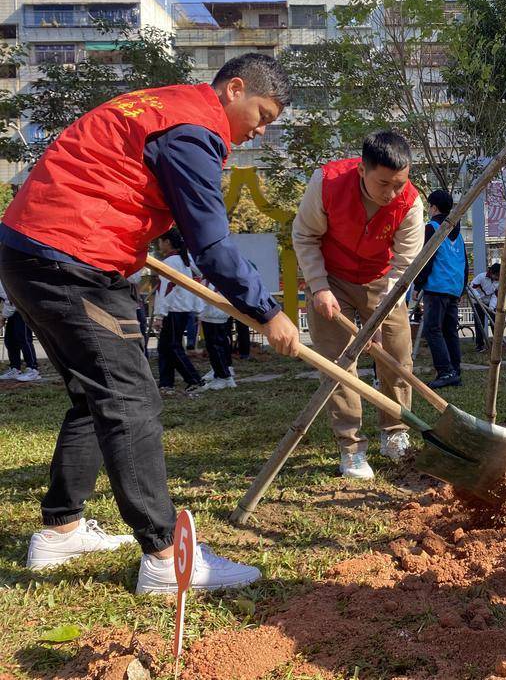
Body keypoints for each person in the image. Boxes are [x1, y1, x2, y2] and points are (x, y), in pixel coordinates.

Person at [0, 53, 299, 592]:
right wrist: (268, 312)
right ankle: (165, 560)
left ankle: (60, 530)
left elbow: (181, 220)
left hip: (34, 250)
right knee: (131, 399)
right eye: (263, 115)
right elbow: (210, 240)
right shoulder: (194, 129)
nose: (259, 131)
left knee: (94, 398)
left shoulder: (166, 107)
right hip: (74, 258)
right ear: (235, 88)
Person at [293, 129, 423, 480]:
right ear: (362, 170)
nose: (392, 193)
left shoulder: (410, 202)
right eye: (384, 184)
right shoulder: (327, 183)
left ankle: (395, 433)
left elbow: (405, 265)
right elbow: (304, 235)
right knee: (339, 366)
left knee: (396, 359)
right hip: (331, 279)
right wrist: (318, 287)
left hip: (383, 284)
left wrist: (382, 312)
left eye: (399, 184)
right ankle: (351, 448)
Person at [413, 188, 467, 389]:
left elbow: (426, 258)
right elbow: (464, 262)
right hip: (454, 286)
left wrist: (418, 284)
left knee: (432, 329)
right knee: (449, 330)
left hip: (437, 286)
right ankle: (456, 371)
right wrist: (462, 288)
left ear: (433, 207)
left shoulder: (432, 227)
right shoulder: (457, 233)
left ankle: (445, 371)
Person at [153, 230, 204, 395]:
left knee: (173, 347)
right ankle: (166, 383)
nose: (159, 245)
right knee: (164, 348)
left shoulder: (169, 262)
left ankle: (194, 379)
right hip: (184, 307)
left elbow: (164, 290)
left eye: (160, 241)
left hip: (172, 309)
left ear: (167, 242)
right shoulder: (186, 260)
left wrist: (159, 315)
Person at [198, 281, 236, 391]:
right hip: (218, 313)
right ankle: (222, 373)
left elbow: (206, 294)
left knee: (215, 347)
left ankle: (224, 376)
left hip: (213, 314)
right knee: (219, 345)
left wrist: (198, 311)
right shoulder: (218, 273)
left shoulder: (212, 275)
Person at [0, 277, 40, 381]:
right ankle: (15, 368)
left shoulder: (2, 281)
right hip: (12, 310)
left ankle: (33, 369)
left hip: (23, 308)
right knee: (10, 341)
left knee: (24, 339)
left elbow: (11, 300)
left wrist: (3, 317)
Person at [469, 262, 501, 352]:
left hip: (490, 303)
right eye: (497, 275)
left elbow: (495, 295)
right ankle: (480, 345)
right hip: (477, 302)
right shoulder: (481, 277)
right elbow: (472, 287)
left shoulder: (498, 281)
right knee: (479, 324)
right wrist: (478, 299)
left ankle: (496, 344)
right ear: (492, 272)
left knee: (494, 322)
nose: (498, 278)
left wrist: (491, 307)